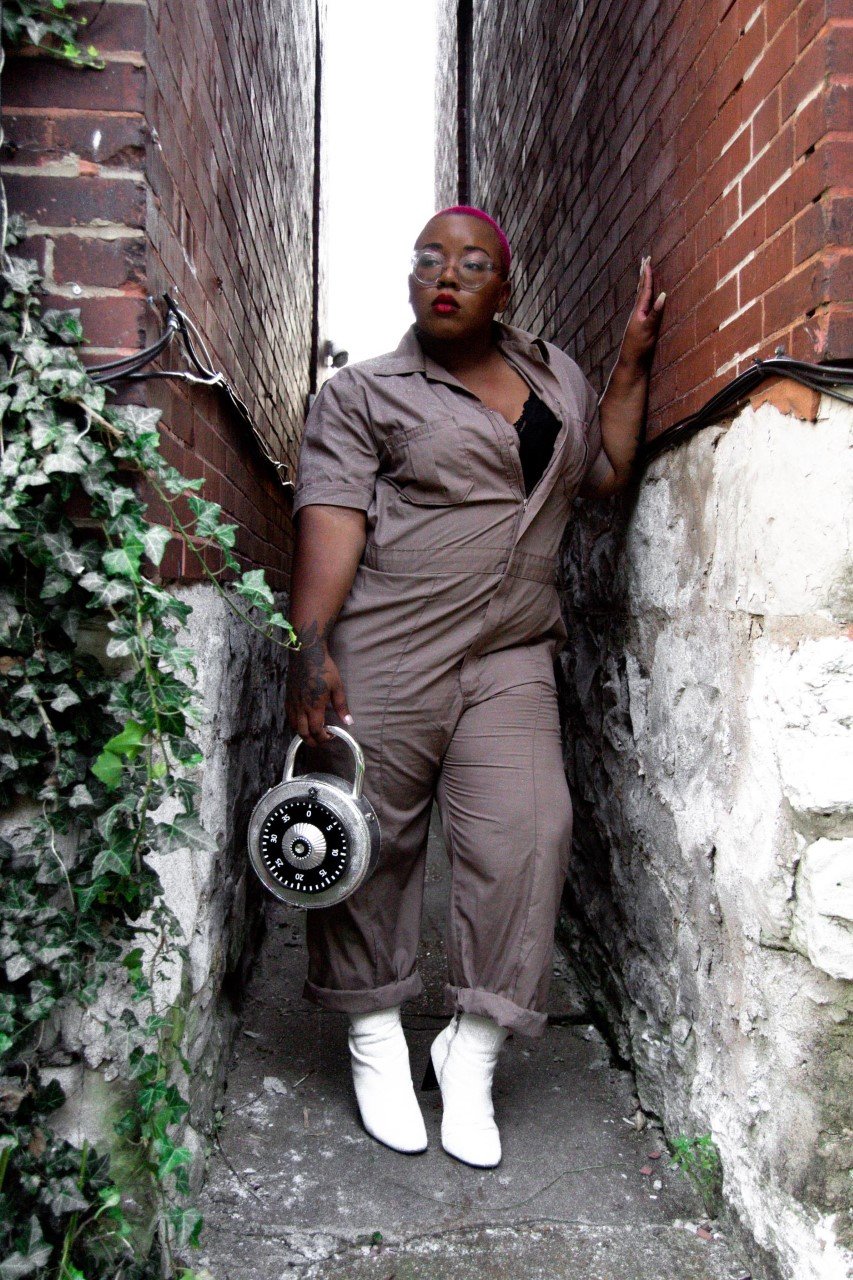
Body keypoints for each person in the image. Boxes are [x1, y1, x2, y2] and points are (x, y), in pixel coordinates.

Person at [285, 206, 664, 1167]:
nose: (444, 276)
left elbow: (603, 470)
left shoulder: (555, 376)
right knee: (368, 835)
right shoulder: (362, 394)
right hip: (390, 642)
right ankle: (375, 1037)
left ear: (505, 285)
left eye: (470, 262)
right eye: (427, 259)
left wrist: (628, 365)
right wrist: (311, 645)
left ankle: (472, 1050)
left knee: (529, 832)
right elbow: (332, 516)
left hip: (511, 648)